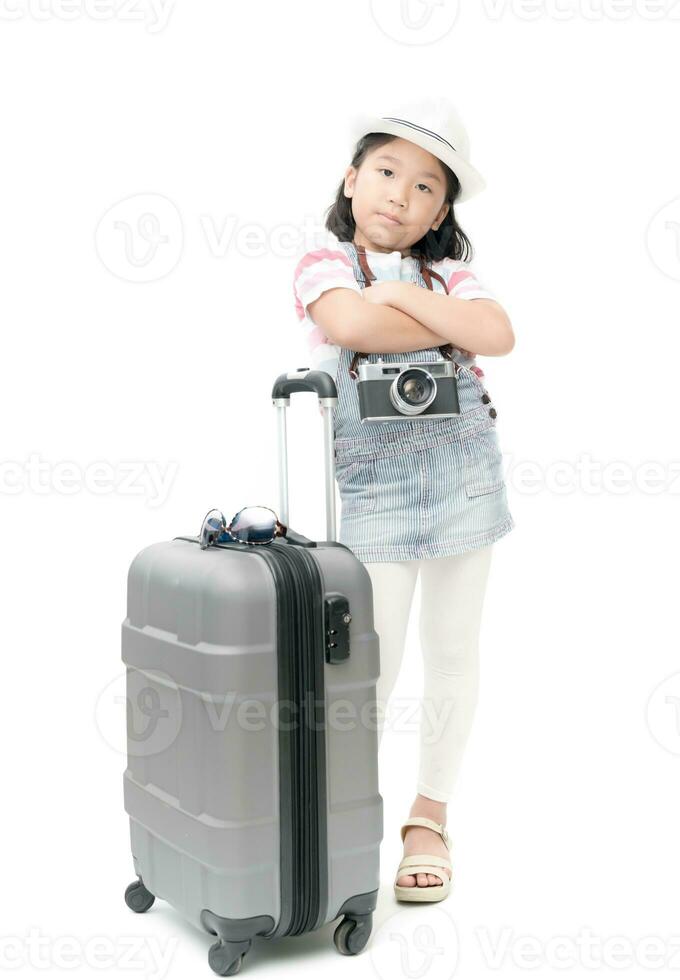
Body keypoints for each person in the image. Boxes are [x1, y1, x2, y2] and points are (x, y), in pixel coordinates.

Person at [292, 97, 516, 903]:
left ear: (442, 210)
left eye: (426, 187)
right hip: (373, 492)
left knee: (453, 651)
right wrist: (430, 318)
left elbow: (495, 334)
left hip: (464, 476)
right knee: (365, 669)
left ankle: (430, 816)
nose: (400, 194)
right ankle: (349, 815)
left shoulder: (449, 272)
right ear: (352, 179)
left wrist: (403, 299)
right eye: (386, 171)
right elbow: (352, 327)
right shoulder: (323, 267)